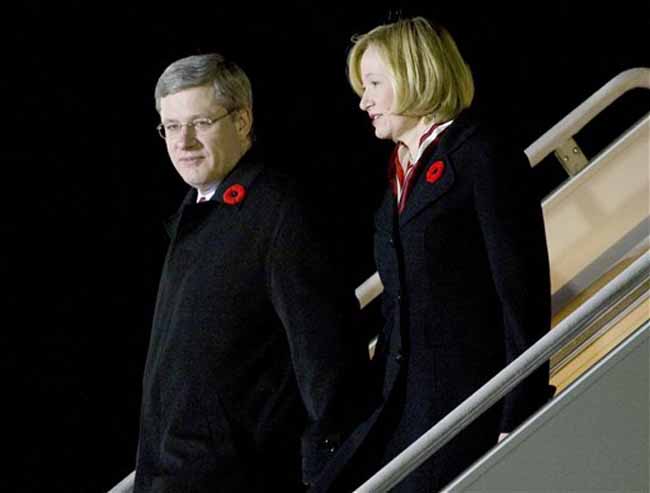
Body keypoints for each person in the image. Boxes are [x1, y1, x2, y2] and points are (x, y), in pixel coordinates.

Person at [320, 16, 555, 492]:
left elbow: (521, 293)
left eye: (373, 84)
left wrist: (520, 409)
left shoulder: (480, 154)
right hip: (400, 404)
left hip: (464, 403)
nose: (363, 101)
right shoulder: (398, 176)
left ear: (413, 75)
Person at [132, 53, 377, 493]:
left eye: (201, 123)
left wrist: (326, 474)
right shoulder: (196, 214)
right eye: (171, 126)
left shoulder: (278, 214)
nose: (183, 142)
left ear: (242, 121)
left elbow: (328, 363)